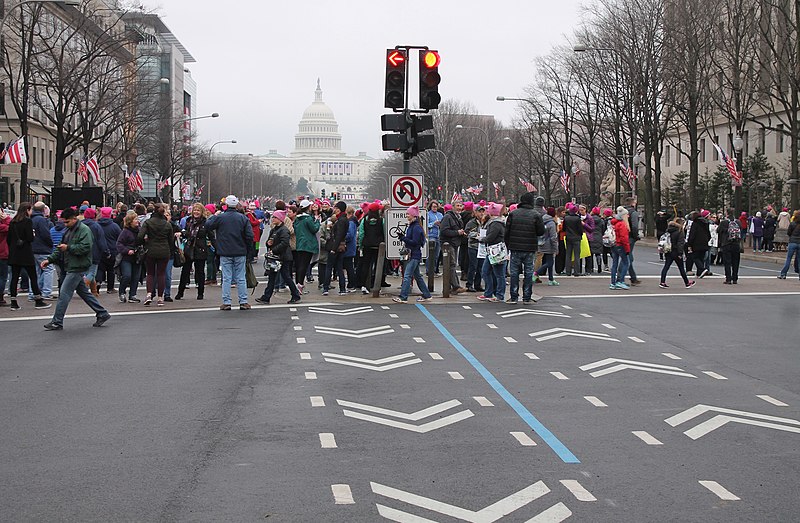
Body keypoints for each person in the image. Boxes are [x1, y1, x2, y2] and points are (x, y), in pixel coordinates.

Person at [40, 207, 110, 330]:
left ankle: (57, 321)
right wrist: (50, 259)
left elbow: (85, 248)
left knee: (64, 294)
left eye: (67, 222)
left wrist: (68, 248)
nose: (65, 224)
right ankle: (102, 313)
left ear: (74, 218)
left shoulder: (84, 230)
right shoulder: (69, 230)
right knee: (83, 293)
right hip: (72, 265)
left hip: (77, 266)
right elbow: (61, 248)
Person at [205, 195, 254, 310]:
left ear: (226, 205)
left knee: (226, 277)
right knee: (241, 277)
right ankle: (243, 301)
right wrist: (248, 248)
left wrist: (214, 215)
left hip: (225, 251)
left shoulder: (221, 218)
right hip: (240, 250)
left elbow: (207, 225)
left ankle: (227, 302)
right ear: (237, 205)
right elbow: (249, 236)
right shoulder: (243, 218)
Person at [6, 202, 51, 310]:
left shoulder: (13, 222)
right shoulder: (27, 221)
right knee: (33, 276)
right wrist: (32, 235)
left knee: (14, 278)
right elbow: (30, 238)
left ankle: (13, 302)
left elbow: (9, 239)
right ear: (27, 210)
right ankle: (38, 300)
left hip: (14, 254)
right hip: (26, 253)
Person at [504, 192, 545, 304]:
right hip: (530, 247)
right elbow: (541, 231)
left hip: (515, 247)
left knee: (514, 273)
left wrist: (509, 245)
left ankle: (513, 297)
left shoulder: (513, 214)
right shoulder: (536, 215)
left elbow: (506, 232)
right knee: (528, 272)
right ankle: (527, 297)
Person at [255, 210, 301, 305]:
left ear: (280, 219)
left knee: (286, 277)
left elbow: (284, 243)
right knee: (272, 277)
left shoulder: (284, 230)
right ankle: (266, 297)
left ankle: (295, 294)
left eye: (275, 217)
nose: (273, 219)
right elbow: (270, 241)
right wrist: (268, 244)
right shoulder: (274, 229)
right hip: (276, 257)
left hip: (283, 257)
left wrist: (273, 250)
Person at [393, 205, 432, 303]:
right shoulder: (415, 226)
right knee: (417, 276)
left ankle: (403, 297)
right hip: (415, 254)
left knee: (407, 276)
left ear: (413, 215)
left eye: (408, 214)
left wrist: (403, 238)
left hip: (413, 255)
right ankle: (427, 295)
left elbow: (414, 242)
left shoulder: (415, 228)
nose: (407, 216)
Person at [137, 203, 173, 307]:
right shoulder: (167, 224)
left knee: (150, 273)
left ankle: (149, 294)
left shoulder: (148, 222)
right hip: (164, 250)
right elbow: (171, 240)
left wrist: (144, 243)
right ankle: (160, 297)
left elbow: (140, 236)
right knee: (161, 274)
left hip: (150, 249)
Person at [175, 203, 208, 300]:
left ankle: (200, 293)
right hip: (189, 249)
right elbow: (186, 233)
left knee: (200, 272)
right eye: (195, 210)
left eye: (198, 210)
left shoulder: (205, 223)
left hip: (200, 249)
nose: (196, 212)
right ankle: (180, 292)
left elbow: (210, 236)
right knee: (185, 271)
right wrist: (181, 233)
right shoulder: (188, 221)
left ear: (202, 212)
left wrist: (217, 248)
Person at [477, 203, 507, 302]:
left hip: (495, 251)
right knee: (486, 271)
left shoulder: (495, 224)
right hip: (493, 251)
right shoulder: (497, 222)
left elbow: (491, 237)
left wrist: (481, 239)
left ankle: (499, 295)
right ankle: (489, 293)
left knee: (498, 274)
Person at [439, 202, 467, 294]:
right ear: (453, 207)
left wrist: (462, 233)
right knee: (451, 264)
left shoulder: (458, 217)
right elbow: (444, 231)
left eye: (460, 205)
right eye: (457, 206)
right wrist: (457, 232)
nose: (459, 208)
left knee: (452, 265)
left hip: (455, 244)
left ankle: (452, 286)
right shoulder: (448, 217)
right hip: (448, 244)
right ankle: (455, 286)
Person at [293, 199, 320, 295]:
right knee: (304, 266)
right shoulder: (308, 219)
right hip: (308, 244)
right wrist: (317, 220)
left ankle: (298, 284)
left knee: (300, 265)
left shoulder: (297, 219)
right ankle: (300, 285)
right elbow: (314, 229)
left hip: (300, 244)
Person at [357, 202, 385, 293]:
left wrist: (361, 245)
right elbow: (384, 232)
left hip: (367, 245)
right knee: (378, 266)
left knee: (366, 265)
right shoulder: (381, 220)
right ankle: (377, 285)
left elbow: (361, 234)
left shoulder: (364, 220)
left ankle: (364, 286)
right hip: (378, 246)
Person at [659, 218, 694, 288]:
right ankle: (687, 282)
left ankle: (662, 282)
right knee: (681, 268)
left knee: (666, 266)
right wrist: (680, 253)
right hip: (676, 251)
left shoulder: (669, 229)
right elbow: (680, 243)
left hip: (668, 250)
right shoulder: (680, 231)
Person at [81, 208, 108, 297]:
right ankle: (83, 286)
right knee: (92, 273)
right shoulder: (96, 226)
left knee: (87, 271)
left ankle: (94, 291)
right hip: (94, 252)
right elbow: (101, 241)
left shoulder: (80, 225)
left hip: (82, 252)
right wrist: (106, 251)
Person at [30, 202, 54, 300]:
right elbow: (45, 234)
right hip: (43, 249)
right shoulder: (41, 220)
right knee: (48, 269)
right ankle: (46, 292)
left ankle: (33, 293)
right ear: (43, 209)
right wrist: (50, 244)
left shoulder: (30, 219)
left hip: (32, 248)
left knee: (34, 272)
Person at [116, 211, 142, 303]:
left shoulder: (140, 230)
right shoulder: (125, 232)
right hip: (126, 257)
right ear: (130, 221)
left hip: (137, 257)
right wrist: (127, 250)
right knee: (127, 275)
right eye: (135, 219)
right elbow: (119, 244)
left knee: (136, 277)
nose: (137, 221)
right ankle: (122, 292)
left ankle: (132, 295)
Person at [97, 207, 121, 294]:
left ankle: (98, 281)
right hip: (112, 250)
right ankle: (110, 288)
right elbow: (119, 237)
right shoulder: (114, 226)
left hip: (100, 250)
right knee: (111, 270)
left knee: (100, 268)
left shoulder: (97, 225)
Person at [535, 206, 559, 286]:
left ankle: (551, 279)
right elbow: (553, 237)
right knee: (550, 262)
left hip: (542, 242)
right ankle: (536, 273)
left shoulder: (543, 220)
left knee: (550, 262)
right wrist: (556, 248)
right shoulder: (551, 223)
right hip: (549, 244)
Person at [465, 205, 486, 292]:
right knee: (473, 266)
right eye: (479, 211)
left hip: (481, 247)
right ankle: (469, 284)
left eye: (482, 211)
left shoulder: (485, 222)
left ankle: (478, 284)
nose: (481, 213)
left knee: (480, 267)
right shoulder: (471, 223)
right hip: (473, 246)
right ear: (475, 213)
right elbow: (466, 232)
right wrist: (476, 235)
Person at [610, 206, 631, 290]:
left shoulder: (614, 223)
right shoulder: (622, 224)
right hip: (620, 245)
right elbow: (624, 238)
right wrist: (627, 249)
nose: (628, 216)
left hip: (614, 244)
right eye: (627, 215)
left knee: (614, 264)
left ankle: (613, 282)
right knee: (626, 263)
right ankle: (620, 281)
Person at [718, 210, 741, 284]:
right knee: (735, 262)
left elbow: (718, 231)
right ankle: (735, 278)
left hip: (726, 244)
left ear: (727, 214)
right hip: (736, 244)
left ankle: (728, 278)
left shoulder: (723, 222)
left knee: (727, 262)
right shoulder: (738, 222)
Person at [687, 209, 712, 278]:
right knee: (701, 258)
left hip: (696, 243)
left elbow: (692, 235)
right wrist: (706, 240)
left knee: (695, 257)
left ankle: (702, 269)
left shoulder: (694, 224)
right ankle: (699, 273)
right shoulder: (706, 223)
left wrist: (689, 244)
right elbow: (709, 234)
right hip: (704, 243)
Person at [624, 197, 642, 285]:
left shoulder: (622, 212)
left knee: (626, 257)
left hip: (622, 236)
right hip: (630, 237)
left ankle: (633, 277)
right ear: (632, 203)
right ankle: (622, 278)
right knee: (628, 258)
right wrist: (636, 236)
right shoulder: (633, 213)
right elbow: (634, 226)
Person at [562, 203, 583, 277]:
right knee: (577, 255)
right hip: (576, 238)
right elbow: (580, 229)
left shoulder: (566, 218)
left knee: (568, 255)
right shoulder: (578, 219)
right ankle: (577, 271)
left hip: (568, 237)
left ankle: (568, 271)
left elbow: (563, 228)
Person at [777, 210, 800, 279]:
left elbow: (789, 233)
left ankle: (783, 274)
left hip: (792, 242)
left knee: (788, 259)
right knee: (799, 259)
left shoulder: (792, 224)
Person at [426, 201, 443, 275]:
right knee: (430, 255)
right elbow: (426, 224)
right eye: (433, 207)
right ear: (431, 207)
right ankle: (428, 270)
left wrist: (440, 224)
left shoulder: (440, 215)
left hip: (438, 236)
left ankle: (434, 270)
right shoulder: (428, 214)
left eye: (436, 207)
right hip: (431, 236)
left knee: (436, 255)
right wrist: (433, 223)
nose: (435, 208)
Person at [0, 208, 11, 305]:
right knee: (3, 277)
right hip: (2, 254)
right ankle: (0, 298)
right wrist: (6, 218)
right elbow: (11, 226)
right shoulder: (3, 226)